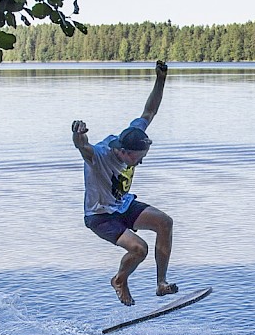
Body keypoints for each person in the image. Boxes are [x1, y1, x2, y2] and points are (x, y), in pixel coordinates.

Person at [72, 60, 178, 306]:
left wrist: (160, 79)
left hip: (122, 205)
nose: (139, 164)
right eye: (138, 159)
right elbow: (82, 147)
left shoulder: (133, 135)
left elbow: (149, 112)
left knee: (165, 223)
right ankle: (120, 280)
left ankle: (161, 283)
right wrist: (78, 133)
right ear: (126, 152)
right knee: (139, 249)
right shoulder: (100, 156)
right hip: (101, 216)